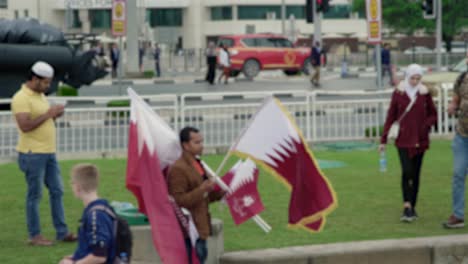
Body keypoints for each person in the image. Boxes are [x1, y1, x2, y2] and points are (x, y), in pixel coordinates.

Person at [11, 61, 76, 246]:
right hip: (32, 154)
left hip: (48, 152)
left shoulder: (40, 95)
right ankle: (35, 235)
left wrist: (54, 114)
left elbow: (42, 118)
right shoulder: (21, 98)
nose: (48, 86)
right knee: (35, 195)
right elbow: (25, 126)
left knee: (57, 191)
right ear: (34, 79)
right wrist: (49, 114)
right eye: (45, 82)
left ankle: (62, 232)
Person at [379, 64, 437, 222]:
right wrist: (383, 139)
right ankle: (406, 206)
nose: (415, 81)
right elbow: (391, 116)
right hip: (403, 139)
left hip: (420, 140)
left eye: (418, 78)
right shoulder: (398, 93)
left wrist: (425, 125)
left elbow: (434, 114)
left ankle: (412, 206)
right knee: (407, 171)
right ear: (407, 76)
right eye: (413, 77)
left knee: (416, 173)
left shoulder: (424, 94)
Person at [168, 127, 225, 264]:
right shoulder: (178, 169)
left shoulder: (198, 164)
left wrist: (220, 192)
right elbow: (178, 201)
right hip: (188, 232)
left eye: (201, 142)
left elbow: (204, 197)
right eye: (197, 142)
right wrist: (203, 188)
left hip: (201, 228)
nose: (201, 146)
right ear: (186, 145)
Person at [58, 164, 116, 264]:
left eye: (72, 183)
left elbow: (99, 256)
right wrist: (74, 257)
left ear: (78, 187)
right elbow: (91, 248)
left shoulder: (96, 215)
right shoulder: (97, 209)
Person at [443, 55, 468, 229]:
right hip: (462, 136)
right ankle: (458, 216)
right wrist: (452, 106)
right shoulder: (461, 79)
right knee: (458, 174)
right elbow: (456, 100)